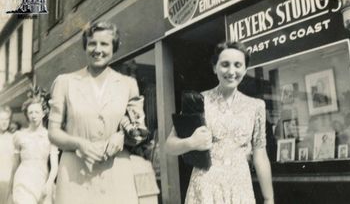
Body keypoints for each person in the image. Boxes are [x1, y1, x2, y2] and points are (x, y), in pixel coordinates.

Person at [48, 21, 145, 204]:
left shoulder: (128, 85)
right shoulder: (65, 82)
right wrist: (79, 143)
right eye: (92, 43)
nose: (97, 49)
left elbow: (139, 130)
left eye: (104, 44)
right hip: (74, 175)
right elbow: (53, 133)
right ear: (85, 46)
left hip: (116, 173)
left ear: (113, 47)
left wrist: (123, 138)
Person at [166, 41, 274, 204]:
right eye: (225, 64)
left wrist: (269, 198)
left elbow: (260, 155)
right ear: (214, 68)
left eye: (238, 65)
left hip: (240, 190)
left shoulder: (256, 106)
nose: (231, 71)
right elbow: (169, 145)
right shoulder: (198, 101)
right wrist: (191, 142)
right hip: (205, 190)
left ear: (245, 69)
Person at [10, 90, 59, 204]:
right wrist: (9, 191)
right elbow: (15, 166)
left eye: (37, 112)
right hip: (22, 181)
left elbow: (55, 166)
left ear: (43, 113)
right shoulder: (20, 136)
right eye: (30, 112)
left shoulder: (50, 136)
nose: (34, 115)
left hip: (42, 182)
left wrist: (49, 183)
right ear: (27, 114)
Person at [0, 106, 14, 204]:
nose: (4, 122)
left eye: (7, 119)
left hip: (9, 180)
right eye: (1, 119)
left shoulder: (14, 138)